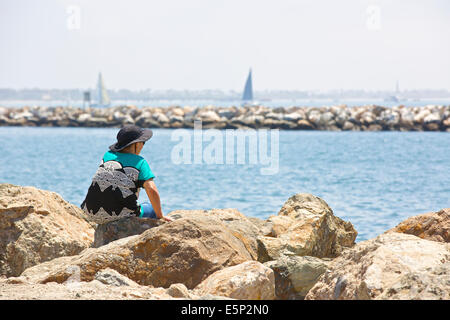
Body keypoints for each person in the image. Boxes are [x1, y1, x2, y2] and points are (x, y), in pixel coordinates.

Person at [81, 125, 173, 224]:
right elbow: (152, 189)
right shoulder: (140, 162)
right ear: (136, 144)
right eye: (143, 142)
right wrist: (160, 216)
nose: (143, 146)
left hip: (89, 212)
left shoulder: (107, 155)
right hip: (119, 216)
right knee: (151, 208)